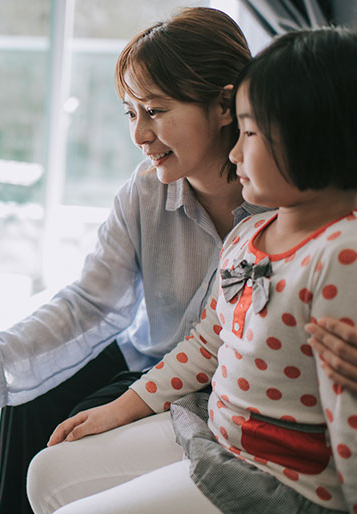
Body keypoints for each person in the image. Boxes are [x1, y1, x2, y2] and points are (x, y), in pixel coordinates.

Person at [0, 8, 357, 512]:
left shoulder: (302, 205)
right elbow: (90, 300)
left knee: (71, 435)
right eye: (131, 113)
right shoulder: (146, 192)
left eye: (155, 111)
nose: (139, 135)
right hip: (153, 357)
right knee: (27, 406)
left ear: (225, 106)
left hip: (238, 389)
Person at [27, 27, 357, 514]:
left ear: (309, 137)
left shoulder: (338, 253)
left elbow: (344, 402)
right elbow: (207, 341)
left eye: (249, 134)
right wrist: (116, 411)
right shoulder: (249, 237)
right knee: (47, 472)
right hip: (215, 431)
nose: (236, 152)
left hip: (281, 479)